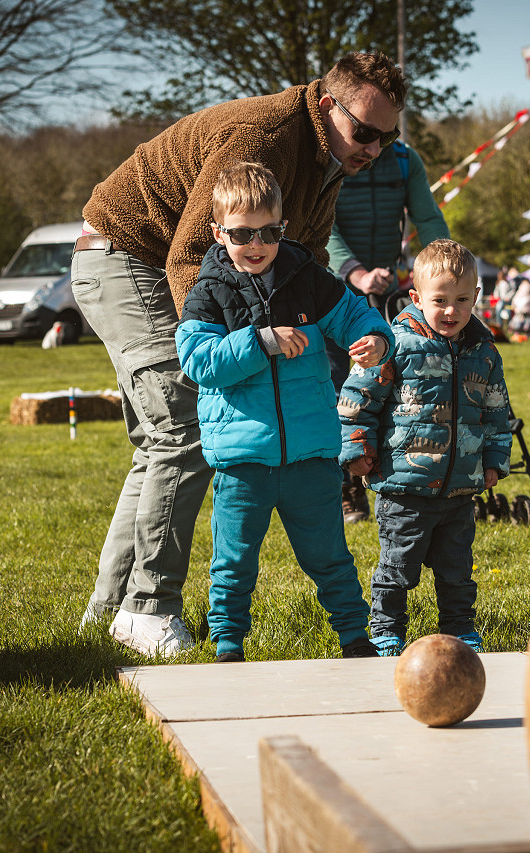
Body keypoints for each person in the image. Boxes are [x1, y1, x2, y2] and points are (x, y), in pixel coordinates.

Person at [73, 51, 408, 657]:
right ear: (329, 107)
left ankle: (110, 613)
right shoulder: (264, 140)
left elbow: (304, 273)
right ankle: (150, 608)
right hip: (127, 256)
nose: (375, 149)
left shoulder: (328, 160)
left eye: (389, 137)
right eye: (365, 132)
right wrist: (228, 358)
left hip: (165, 261)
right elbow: (191, 258)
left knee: (162, 441)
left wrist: (347, 344)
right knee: (185, 427)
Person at [176, 162, 396, 662]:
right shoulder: (208, 294)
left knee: (331, 558)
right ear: (218, 233)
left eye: (269, 232)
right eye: (242, 234)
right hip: (242, 462)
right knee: (232, 563)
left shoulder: (308, 278)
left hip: (311, 455)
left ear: (284, 229)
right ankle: (228, 645)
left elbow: (354, 313)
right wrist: (261, 342)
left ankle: (355, 639)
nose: (257, 244)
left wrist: (375, 339)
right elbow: (199, 363)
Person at [337, 239, 511, 656]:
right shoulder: (395, 345)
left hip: (459, 489)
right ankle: (386, 630)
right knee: (398, 565)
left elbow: (497, 411)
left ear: (476, 297)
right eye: (441, 301)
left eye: (462, 300)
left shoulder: (483, 352)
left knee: (457, 570)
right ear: (416, 298)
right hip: (403, 485)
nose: (452, 311)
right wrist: (357, 448)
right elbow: (356, 400)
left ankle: (460, 628)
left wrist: (494, 460)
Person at [327, 139, 449, 524]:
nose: (374, 143)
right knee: (340, 389)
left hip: (387, 288)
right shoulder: (329, 157)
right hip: (333, 286)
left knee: (391, 386)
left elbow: (427, 217)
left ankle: (393, 477)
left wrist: (448, 273)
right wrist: (355, 272)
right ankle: (346, 489)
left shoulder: (403, 159)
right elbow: (321, 223)